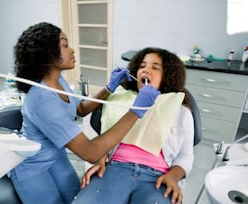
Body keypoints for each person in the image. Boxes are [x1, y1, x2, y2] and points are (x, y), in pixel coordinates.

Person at [10, 22, 160, 204]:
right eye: (65, 45)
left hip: (56, 156)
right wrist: (136, 111)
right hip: (32, 167)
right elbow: (90, 152)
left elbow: (79, 109)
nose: (72, 50)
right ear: (48, 55)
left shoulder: (58, 81)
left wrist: (109, 87)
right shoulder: (42, 98)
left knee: (78, 198)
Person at [72, 47, 194, 204]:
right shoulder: (119, 99)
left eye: (155, 67)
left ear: (168, 76)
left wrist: (173, 176)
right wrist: (101, 158)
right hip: (114, 169)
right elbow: (105, 134)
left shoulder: (180, 110)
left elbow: (186, 155)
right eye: (142, 66)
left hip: (157, 178)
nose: (146, 70)